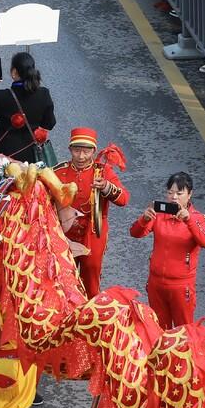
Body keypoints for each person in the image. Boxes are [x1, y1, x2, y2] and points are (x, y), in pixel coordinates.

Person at [129, 172, 205, 327]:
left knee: (184, 331)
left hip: (181, 286)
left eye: (179, 193)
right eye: (170, 192)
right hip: (156, 283)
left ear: (190, 195)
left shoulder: (198, 218)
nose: (174, 197)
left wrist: (189, 220)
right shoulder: (159, 213)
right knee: (159, 330)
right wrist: (144, 219)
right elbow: (135, 233)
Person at [55, 127, 129, 297]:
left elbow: (124, 199)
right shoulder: (59, 171)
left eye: (86, 151)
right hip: (63, 232)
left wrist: (106, 187)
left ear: (94, 151)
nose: (81, 156)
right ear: (69, 150)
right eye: (76, 150)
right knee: (63, 277)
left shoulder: (103, 172)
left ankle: (90, 315)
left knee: (91, 276)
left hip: (93, 230)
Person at [0, 50, 56, 159]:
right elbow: (50, 123)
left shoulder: (3, 96)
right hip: (31, 155)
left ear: (14, 72)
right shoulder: (44, 94)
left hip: (4, 156)